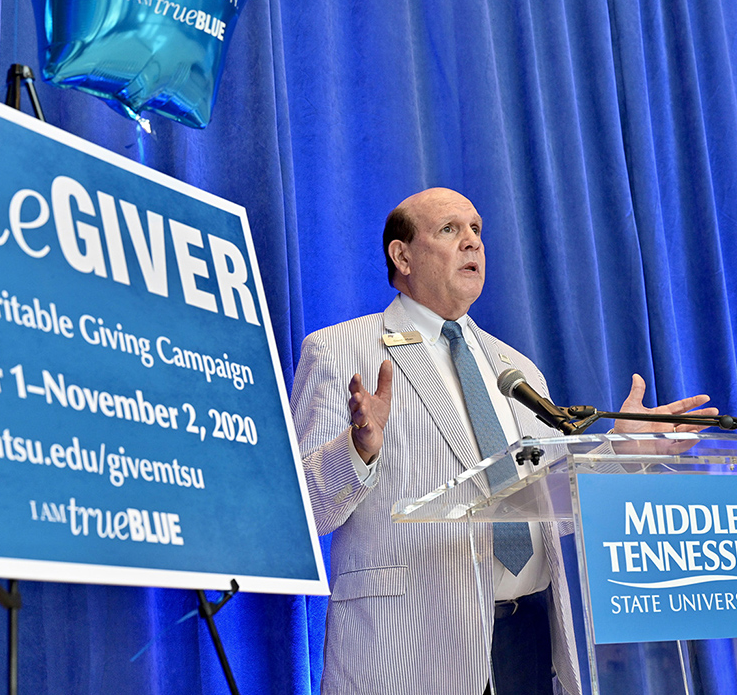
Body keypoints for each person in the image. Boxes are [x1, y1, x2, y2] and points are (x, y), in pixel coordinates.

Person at [290, 187, 715, 694]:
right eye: (450, 230)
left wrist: (621, 450)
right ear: (401, 255)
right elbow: (301, 513)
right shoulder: (340, 351)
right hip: (407, 645)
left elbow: (547, 507)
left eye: (477, 230)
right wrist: (359, 450)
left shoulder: (515, 369)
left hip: (528, 638)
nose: (472, 242)